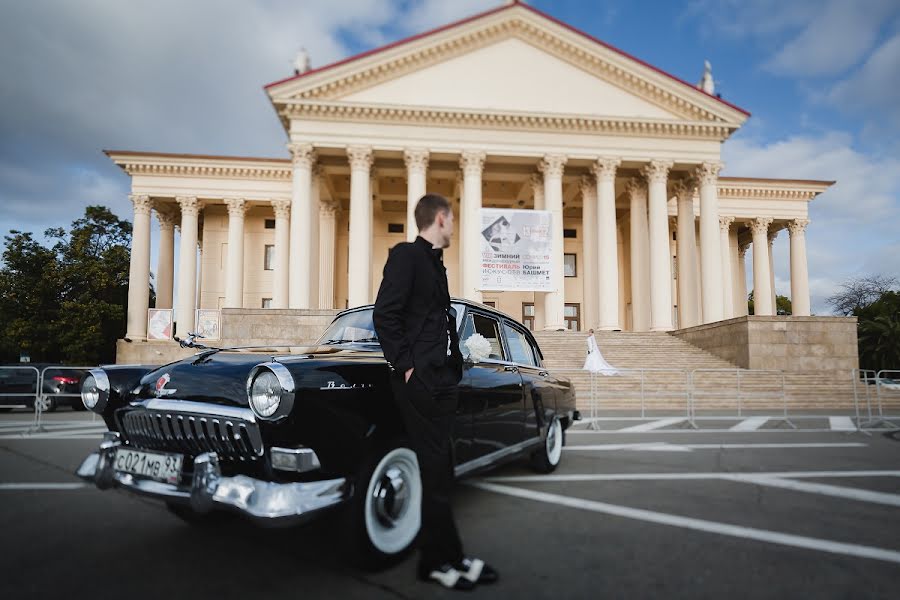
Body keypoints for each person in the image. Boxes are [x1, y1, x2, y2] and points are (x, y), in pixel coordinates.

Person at [373, 193, 499, 591]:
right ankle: (447, 559)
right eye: (453, 220)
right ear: (441, 218)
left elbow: (431, 323)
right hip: (421, 383)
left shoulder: (435, 264)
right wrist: (407, 367)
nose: (455, 228)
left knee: (441, 471)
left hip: (442, 379)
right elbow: (384, 314)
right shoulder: (407, 255)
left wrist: (454, 363)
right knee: (435, 472)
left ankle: (441, 559)